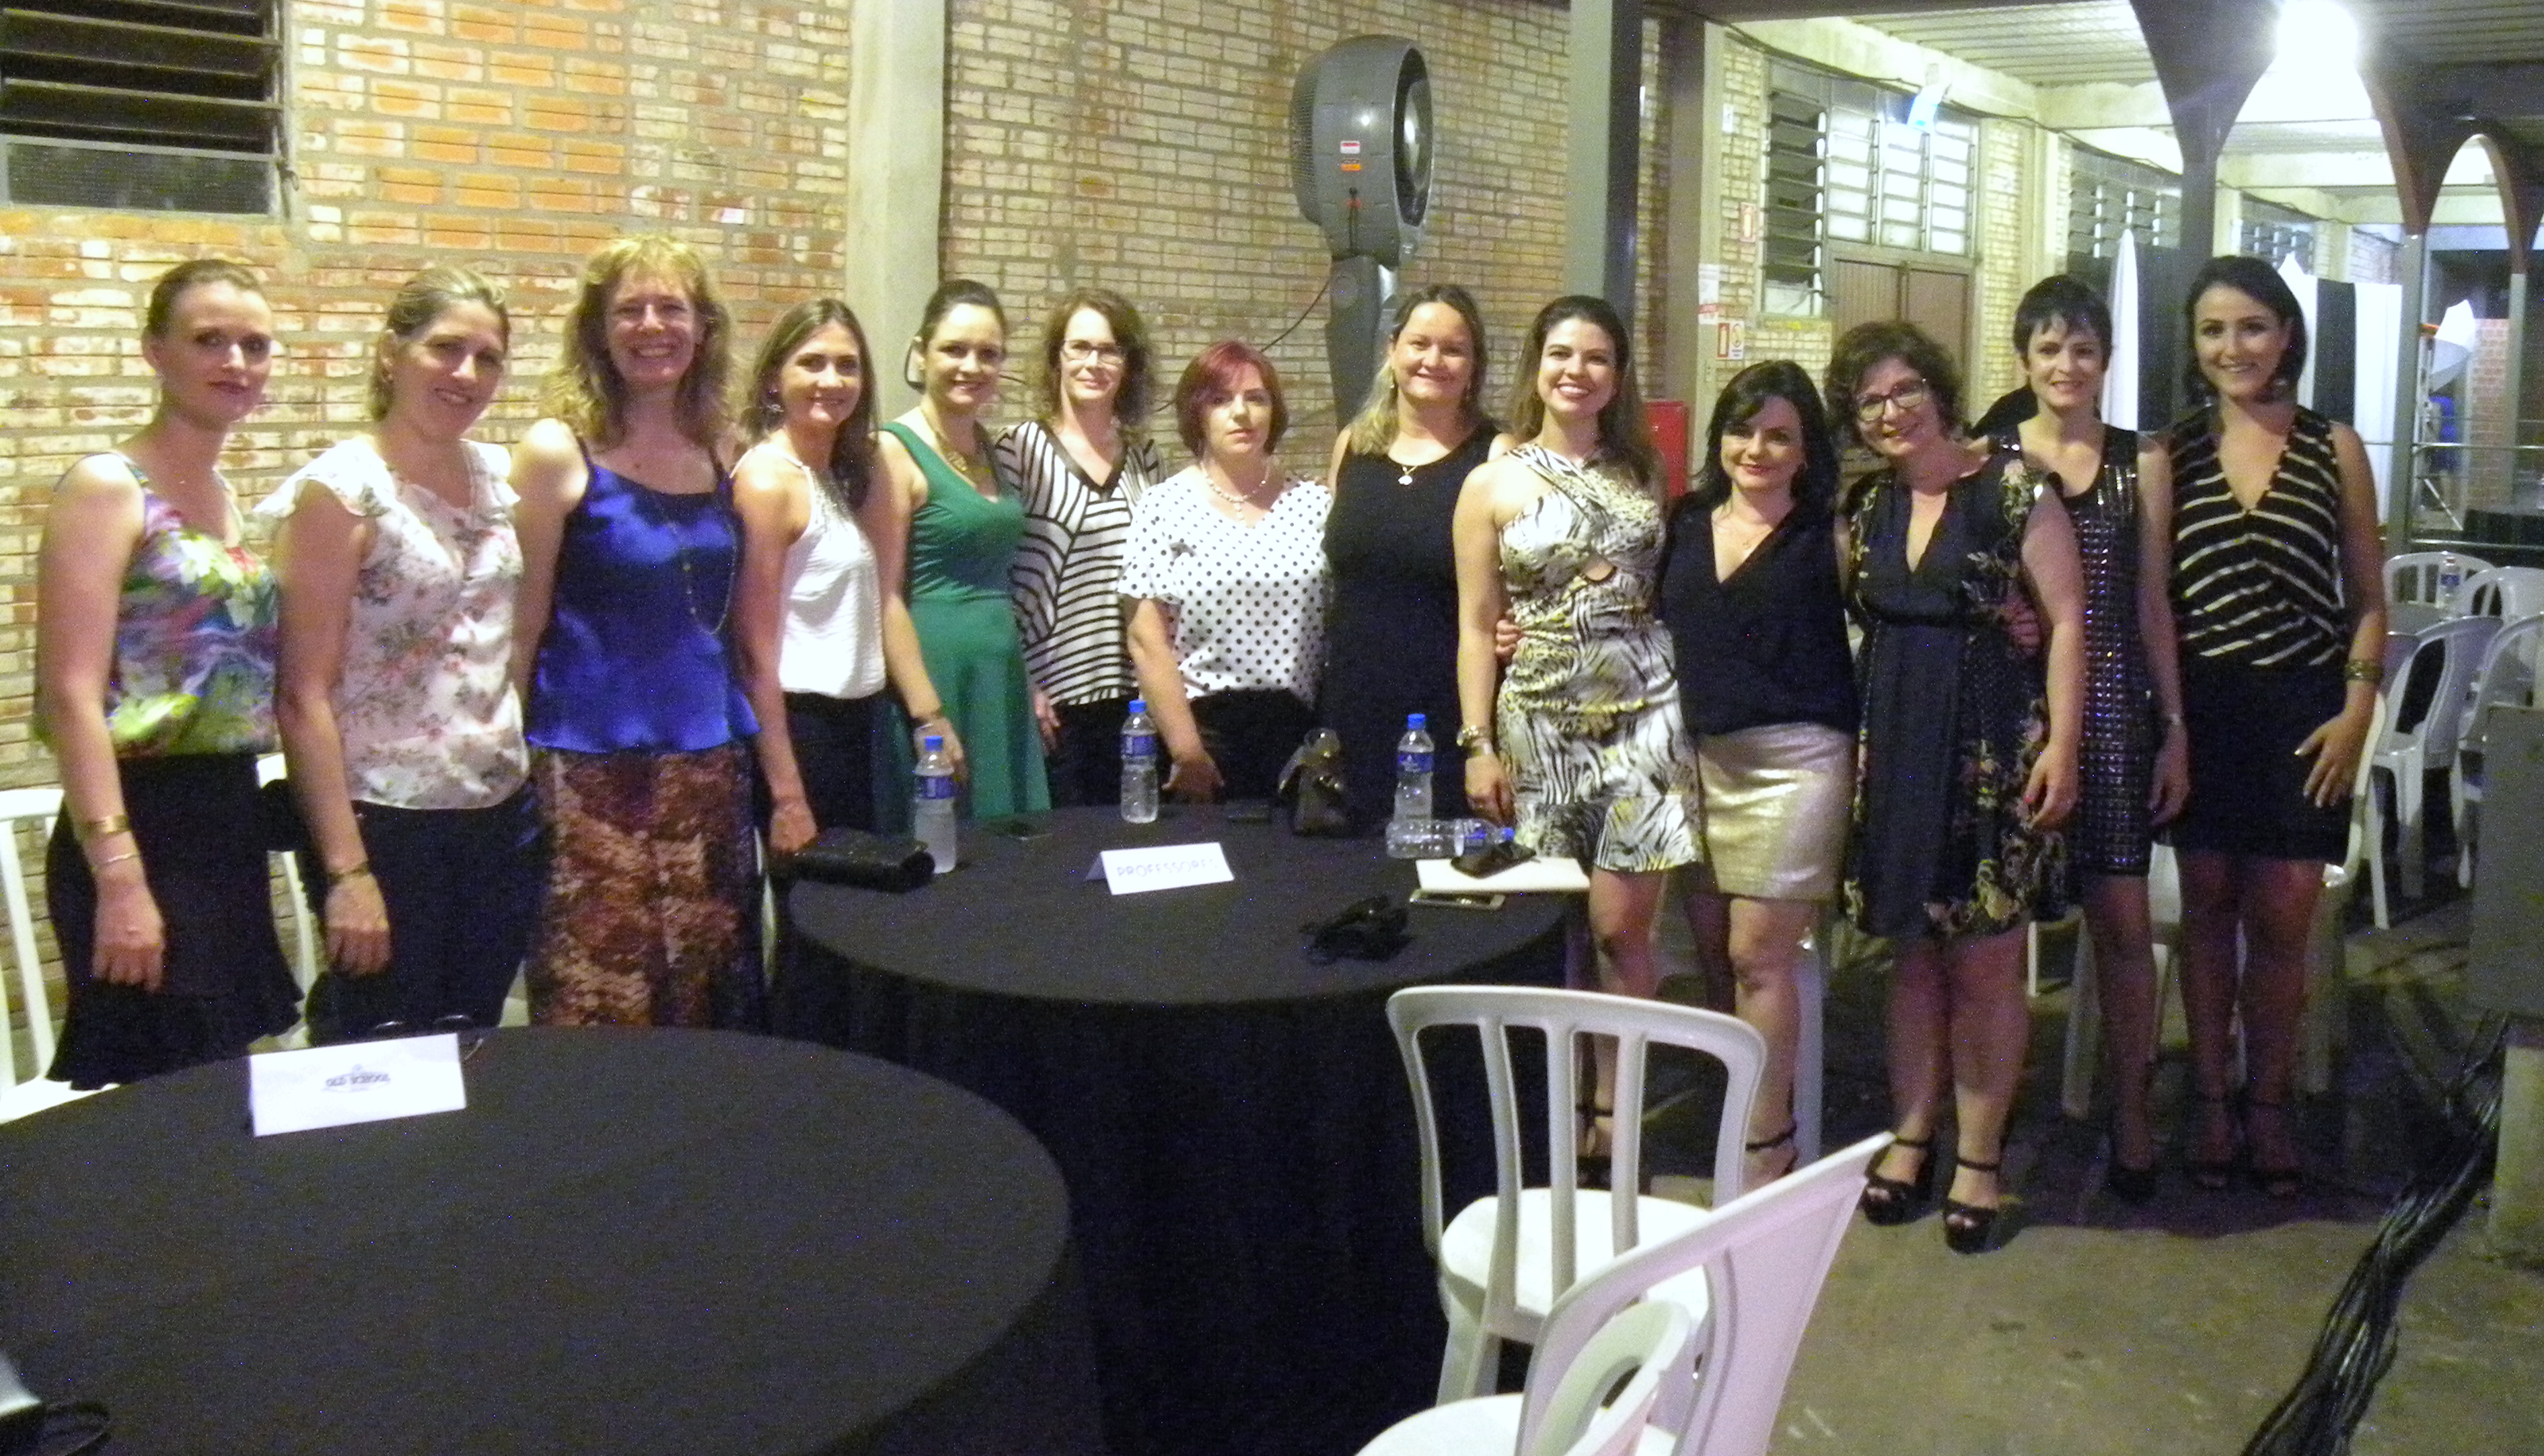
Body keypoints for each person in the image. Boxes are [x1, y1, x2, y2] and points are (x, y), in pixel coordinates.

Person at [1830, 320, 2085, 1253]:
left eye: (1904, 390)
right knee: (1910, 954)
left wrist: (2062, 746)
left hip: (1991, 745)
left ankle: (1979, 1156)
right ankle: (1911, 1135)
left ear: (1937, 390)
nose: (1891, 412)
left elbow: (2066, 621)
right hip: (1895, 742)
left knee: (1982, 964)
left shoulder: (2014, 487)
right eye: (1869, 401)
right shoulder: (1868, 505)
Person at [2151, 256, 2385, 1197]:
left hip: (2304, 714)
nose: (2232, 347)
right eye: (2213, 330)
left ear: (2286, 334)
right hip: (2203, 710)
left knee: (2284, 921)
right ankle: (2212, 1100)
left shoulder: (2335, 447)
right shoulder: (2170, 453)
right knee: (2207, 917)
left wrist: (2357, 711)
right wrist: (2170, 725)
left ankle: (2271, 1103)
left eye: (2251, 326)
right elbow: (2154, 604)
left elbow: (2368, 598)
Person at [34, 258, 299, 1085]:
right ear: (156, 351)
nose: (236, 362)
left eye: (255, 344)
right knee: (166, 1103)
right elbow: (70, 696)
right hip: (139, 824)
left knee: (223, 1085)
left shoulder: (222, 495)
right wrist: (119, 876)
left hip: (225, 817)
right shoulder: (110, 487)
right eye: (209, 340)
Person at [266, 264, 540, 1042]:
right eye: (445, 349)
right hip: (386, 820)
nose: (467, 373)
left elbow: (499, 639)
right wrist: (347, 871)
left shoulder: (495, 478)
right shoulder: (342, 492)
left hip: (499, 813)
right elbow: (301, 695)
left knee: (473, 1039)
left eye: (488, 358)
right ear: (392, 353)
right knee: (378, 1054)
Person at [1454, 295, 1698, 1166]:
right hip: (1538, 721)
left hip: (1644, 714)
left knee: (1622, 931)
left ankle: (1615, 1115)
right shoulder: (1491, 482)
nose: (1576, 371)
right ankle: (1553, 1114)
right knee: (1549, 934)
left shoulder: (1644, 471)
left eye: (1596, 357)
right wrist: (1477, 743)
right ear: (1536, 363)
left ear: (1617, 375)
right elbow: (1475, 624)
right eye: (1561, 353)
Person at [511, 235, 764, 1029]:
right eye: (630, 310)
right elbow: (522, 623)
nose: (652, 327)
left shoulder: (725, 449)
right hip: (589, 764)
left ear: (704, 327)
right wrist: (506, 760)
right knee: (600, 989)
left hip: (707, 760)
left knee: (706, 982)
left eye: (671, 309)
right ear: (597, 329)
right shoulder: (557, 450)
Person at [1992, 276, 2188, 1202]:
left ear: (2106, 360)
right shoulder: (1990, 457)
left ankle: (2133, 1113)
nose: (2065, 365)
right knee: (1991, 925)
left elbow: (2152, 603)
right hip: (2006, 707)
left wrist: (2174, 727)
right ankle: (1983, 1114)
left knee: (2121, 923)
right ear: (2024, 360)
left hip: (2111, 709)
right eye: (2048, 348)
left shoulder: (2140, 461)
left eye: (2082, 349)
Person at [1656, 360, 1857, 1186]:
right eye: (1742, 430)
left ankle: (1768, 1141)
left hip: (1798, 762)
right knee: (1714, 955)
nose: (1757, 449)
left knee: (1756, 955)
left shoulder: (1833, 533)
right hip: (1698, 759)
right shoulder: (1684, 519)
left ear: (1807, 449)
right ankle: (1739, 1098)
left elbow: (1904, 614)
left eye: (1779, 435)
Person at [1121, 340, 1332, 801]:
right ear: (1196, 413)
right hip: (1201, 740)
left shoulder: (1315, 504)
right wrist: (1187, 751)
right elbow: (1146, 638)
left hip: (1298, 739)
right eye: (1220, 400)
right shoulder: (1163, 506)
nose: (1241, 413)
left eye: (1256, 399)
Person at [1321, 284, 1499, 828]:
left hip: (1449, 706)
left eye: (1453, 349)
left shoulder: (1496, 454)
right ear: (1392, 350)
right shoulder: (1353, 446)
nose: (1433, 361)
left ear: (1473, 365)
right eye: (1419, 343)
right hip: (1353, 704)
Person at [873, 280, 1050, 822]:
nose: (971, 367)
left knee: (1009, 844)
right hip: (936, 673)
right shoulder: (892, 450)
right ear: (921, 352)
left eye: (988, 354)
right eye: (954, 349)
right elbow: (883, 597)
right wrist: (928, 714)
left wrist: (1026, 682)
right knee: (944, 839)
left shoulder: (987, 447)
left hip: (1000, 673)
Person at [999, 288, 1167, 807]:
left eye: (1109, 349)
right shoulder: (1018, 451)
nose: (1093, 363)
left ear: (1128, 364)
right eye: (1079, 347)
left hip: (1134, 700)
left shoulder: (1146, 458)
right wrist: (1024, 685)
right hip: (1052, 702)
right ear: (1057, 357)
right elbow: (997, 579)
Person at [733, 298, 888, 846]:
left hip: (853, 725)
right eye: (812, 363)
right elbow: (753, 652)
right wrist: (787, 795)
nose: (831, 380)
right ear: (774, 380)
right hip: (802, 735)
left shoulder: (829, 477)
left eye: (847, 365)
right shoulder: (768, 481)